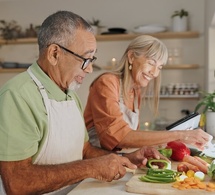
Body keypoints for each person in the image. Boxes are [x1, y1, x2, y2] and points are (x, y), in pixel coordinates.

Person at [0, 11, 168, 195]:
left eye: (92, 59)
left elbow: (85, 150)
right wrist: (90, 168)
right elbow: (17, 183)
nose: (89, 69)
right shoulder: (17, 96)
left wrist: (126, 158)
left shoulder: (71, 95)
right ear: (54, 53)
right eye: (85, 59)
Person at [84, 35, 212, 151]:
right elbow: (118, 136)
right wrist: (180, 134)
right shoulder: (107, 82)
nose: (155, 73)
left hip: (117, 162)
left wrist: (178, 139)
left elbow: (131, 140)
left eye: (160, 67)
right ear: (131, 57)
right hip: (96, 165)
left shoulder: (135, 91)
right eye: (151, 63)